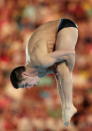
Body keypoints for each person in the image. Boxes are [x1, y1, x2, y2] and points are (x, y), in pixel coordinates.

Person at [10, 18, 78, 126]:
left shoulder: (41, 61)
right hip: (49, 37)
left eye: (26, 84)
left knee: (63, 69)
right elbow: (58, 77)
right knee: (59, 72)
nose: (30, 87)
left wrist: (69, 72)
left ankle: (68, 106)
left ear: (25, 74)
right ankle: (66, 106)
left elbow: (70, 53)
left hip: (64, 26)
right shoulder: (38, 70)